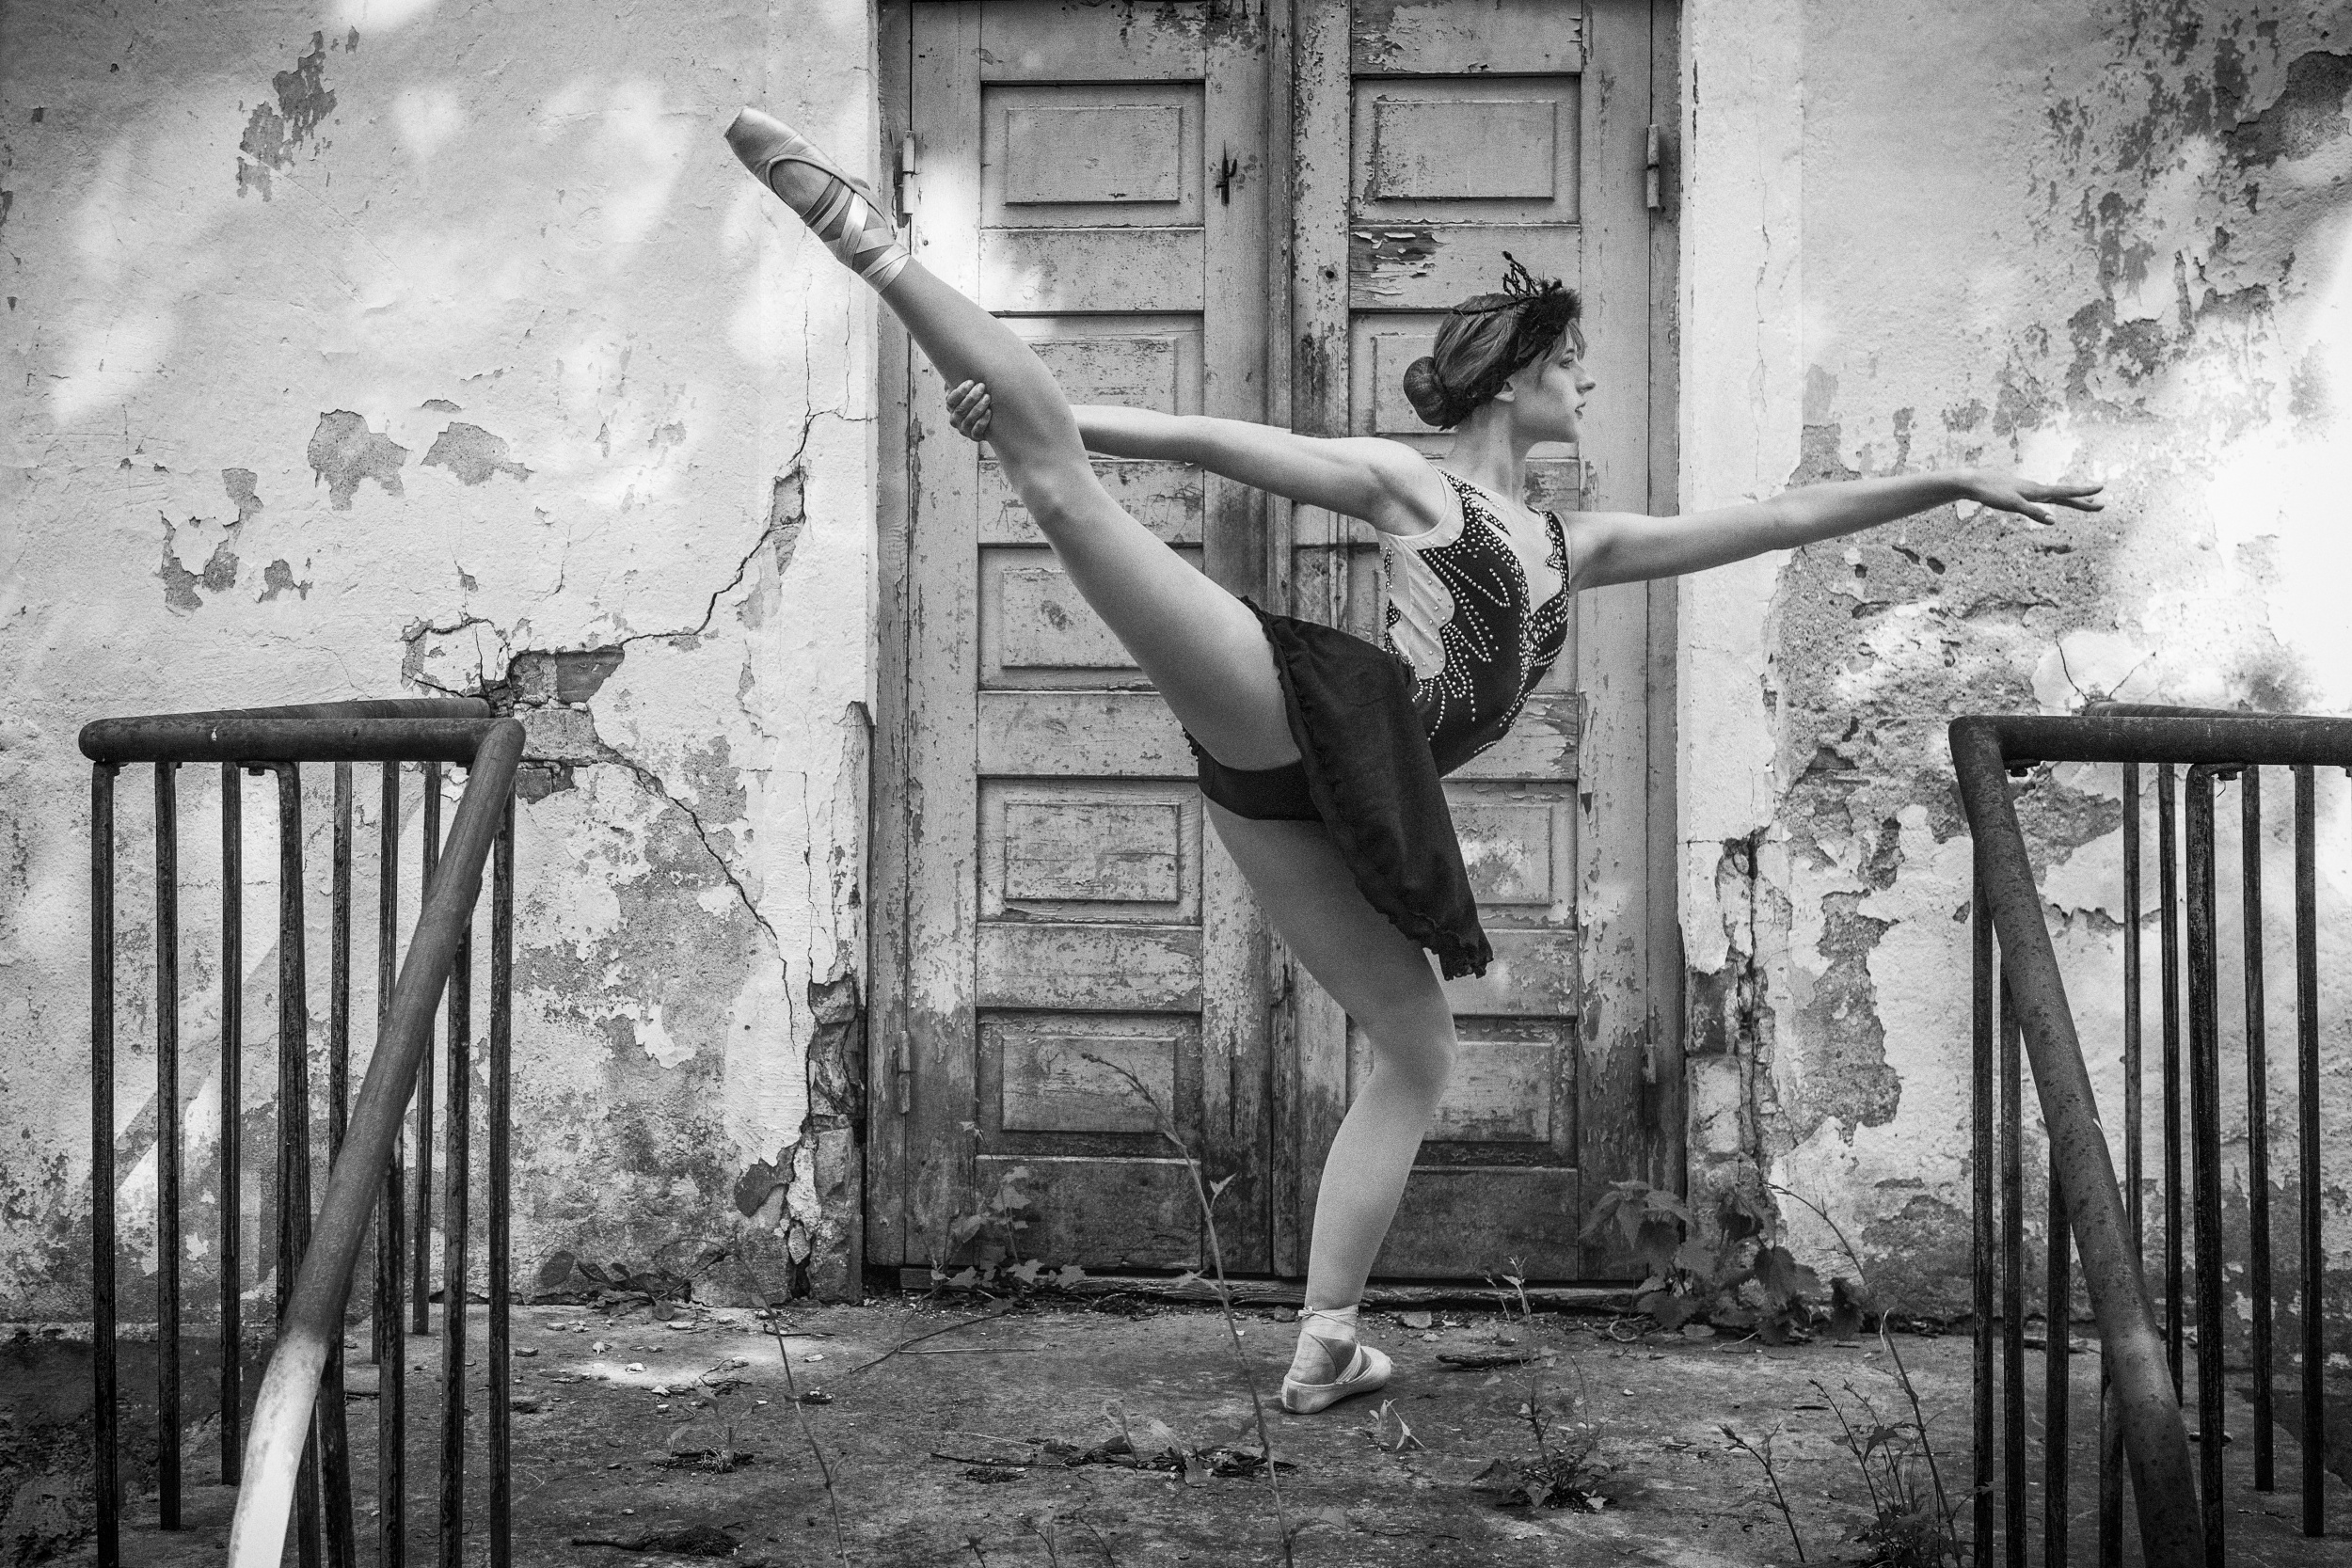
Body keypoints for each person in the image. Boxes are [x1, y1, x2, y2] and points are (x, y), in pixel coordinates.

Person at [723, 106, 2103, 1415]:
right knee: (1059, 483)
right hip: (1310, 713)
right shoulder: (1414, 485)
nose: (1588, 380)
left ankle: (1325, 1343)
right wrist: (1067, 423)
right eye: (1572, 362)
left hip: (1339, 801)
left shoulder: (1577, 545)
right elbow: (1221, 444)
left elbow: (1777, 517)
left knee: (1417, 1050)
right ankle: (867, 238)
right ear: (1518, 375)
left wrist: (1949, 481)